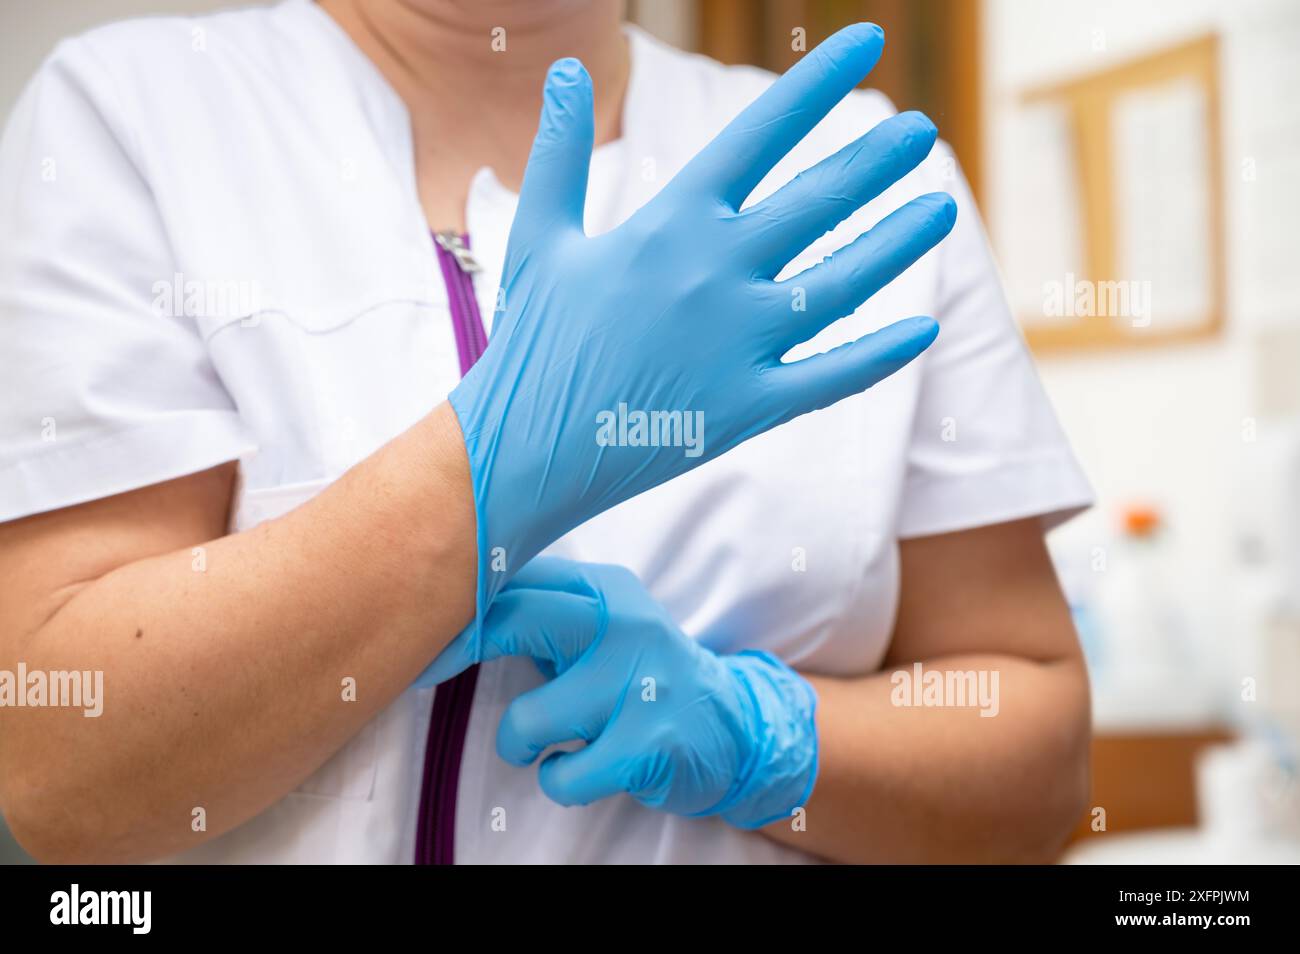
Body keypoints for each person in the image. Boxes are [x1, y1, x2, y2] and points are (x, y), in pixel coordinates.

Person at [0, 0, 1093, 864]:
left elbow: (1037, 775)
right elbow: (59, 779)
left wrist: (764, 737)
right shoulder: (134, 115)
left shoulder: (848, 175)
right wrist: (483, 475)